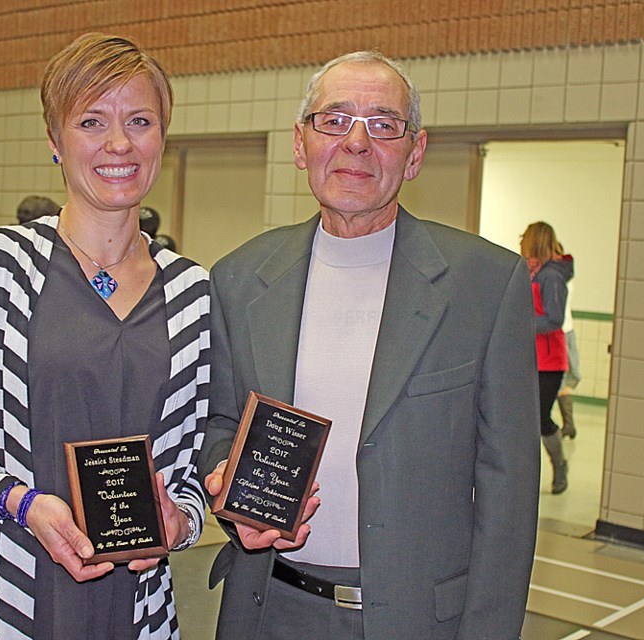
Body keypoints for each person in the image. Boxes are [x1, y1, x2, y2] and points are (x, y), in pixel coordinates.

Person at [0, 33, 210, 640]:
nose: (119, 143)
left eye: (140, 120)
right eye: (91, 121)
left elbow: (189, 467)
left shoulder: (194, 294)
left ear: (163, 137)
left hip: (134, 613)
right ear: (55, 141)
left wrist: (180, 521)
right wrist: (17, 502)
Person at [199, 50, 540, 640]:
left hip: (417, 621)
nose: (357, 143)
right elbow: (222, 422)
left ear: (415, 153)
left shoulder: (485, 284)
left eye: (384, 125)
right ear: (300, 144)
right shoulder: (239, 276)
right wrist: (222, 473)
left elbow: (509, 493)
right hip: (266, 610)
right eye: (334, 120)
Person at [521, 222, 574, 494]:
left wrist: (519, 323)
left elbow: (554, 319)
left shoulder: (551, 276)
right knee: (523, 421)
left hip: (550, 362)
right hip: (530, 358)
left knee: (541, 419)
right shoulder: (531, 272)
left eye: (525, 239)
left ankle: (559, 464)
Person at [556, 242, 580, 439]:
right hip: (566, 330)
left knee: (560, 381)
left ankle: (568, 425)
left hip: (560, 333)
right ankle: (569, 425)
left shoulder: (556, 277)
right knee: (563, 382)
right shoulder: (566, 276)